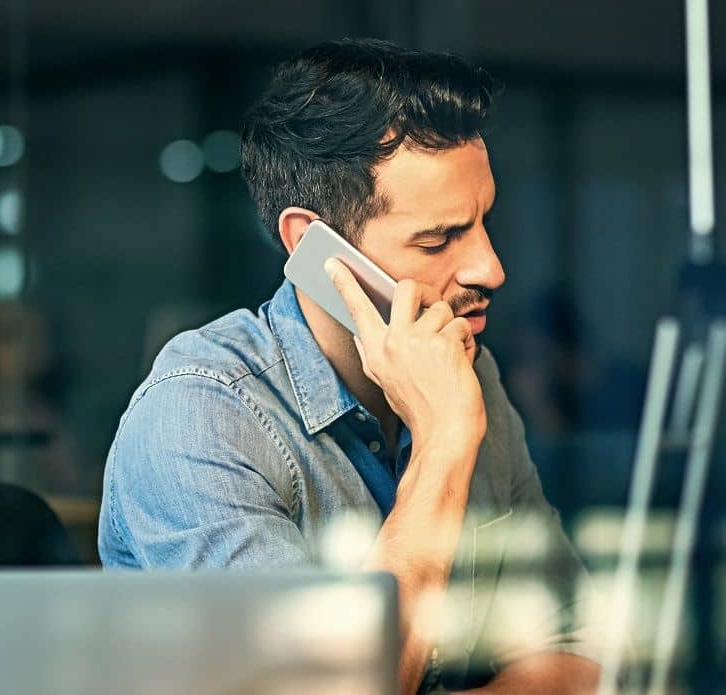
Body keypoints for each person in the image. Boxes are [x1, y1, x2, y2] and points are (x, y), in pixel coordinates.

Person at [99, 38, 600, 694]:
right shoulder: (198, 416)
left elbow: (577, 650)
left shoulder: (467, 371)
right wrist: (445, 445)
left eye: (482, 222)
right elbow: (326, 688)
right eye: (438, 238)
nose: (490, 268)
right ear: (311, 247)